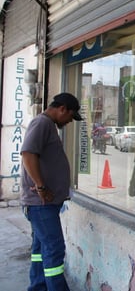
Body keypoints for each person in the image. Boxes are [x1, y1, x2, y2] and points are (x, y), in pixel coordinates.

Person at [20, 92, 83, 291]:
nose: (69, 121)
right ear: (62, 109)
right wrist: (41, 186)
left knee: (41, 249)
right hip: (41, 205)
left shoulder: (46, 124)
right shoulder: (43, 124)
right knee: (55, 250)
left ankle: (38, 287)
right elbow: (28, 154)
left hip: (43, 205)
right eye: (70, 116)